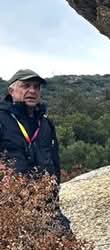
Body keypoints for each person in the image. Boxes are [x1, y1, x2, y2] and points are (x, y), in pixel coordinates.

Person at [1, 69, 69, 231]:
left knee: (63, 247)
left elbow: (54, 161)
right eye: (25, 86)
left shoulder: (45, 124)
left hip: (46, 203)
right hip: (10, 205)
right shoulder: (2, 119)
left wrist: (53, 196)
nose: (32, 91)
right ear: (11, 91)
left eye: (36, 87)